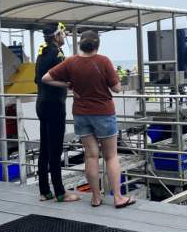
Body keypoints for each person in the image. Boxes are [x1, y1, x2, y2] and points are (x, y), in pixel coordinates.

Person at [42, 30, 136, 209]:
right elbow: (116, 88)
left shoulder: (71, 61)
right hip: (103, 113)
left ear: (80, 44)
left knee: (91, 155)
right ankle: (118, 197)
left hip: (81, 114)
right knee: (111, 156)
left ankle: (95, 197)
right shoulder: (104, 61)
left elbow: (46, 78)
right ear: (97, 45)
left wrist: (69, 85)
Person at [34, 22, 80, 202]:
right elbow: (66, 77)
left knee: (45, 148)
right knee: (55, 149)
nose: (64, 36)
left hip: (41, 103)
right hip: (54, 105)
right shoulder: (57, 54)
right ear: (56, 35)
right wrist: (70, 85)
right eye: (63, 33)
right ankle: (60, 192)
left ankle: (44, 191)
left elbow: (38, 79)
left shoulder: (42, 53)